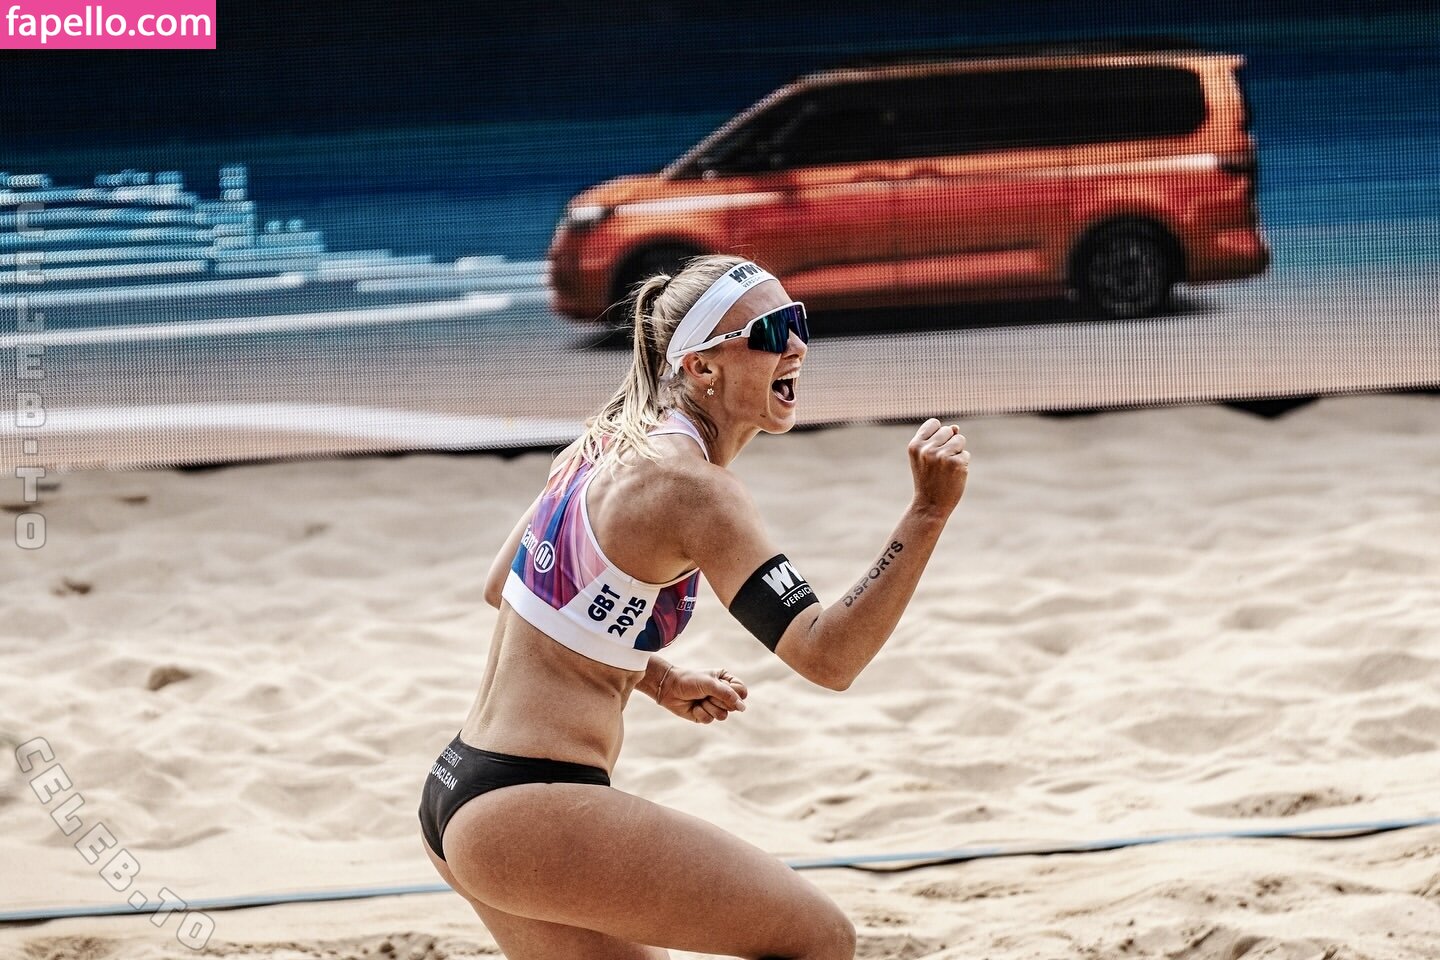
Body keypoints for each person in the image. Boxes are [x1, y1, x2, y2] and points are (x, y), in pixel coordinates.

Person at [417, 254, 970, 959]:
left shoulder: (607, 439)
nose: (795, 345)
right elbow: (828, 656)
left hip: (460, 788)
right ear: (702, 367)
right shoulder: (694, 489)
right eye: (768, 332)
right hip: (524, 808)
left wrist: (656, 676)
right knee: (821, 940)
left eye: (796, 322)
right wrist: (927, 514)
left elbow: (507, 585)